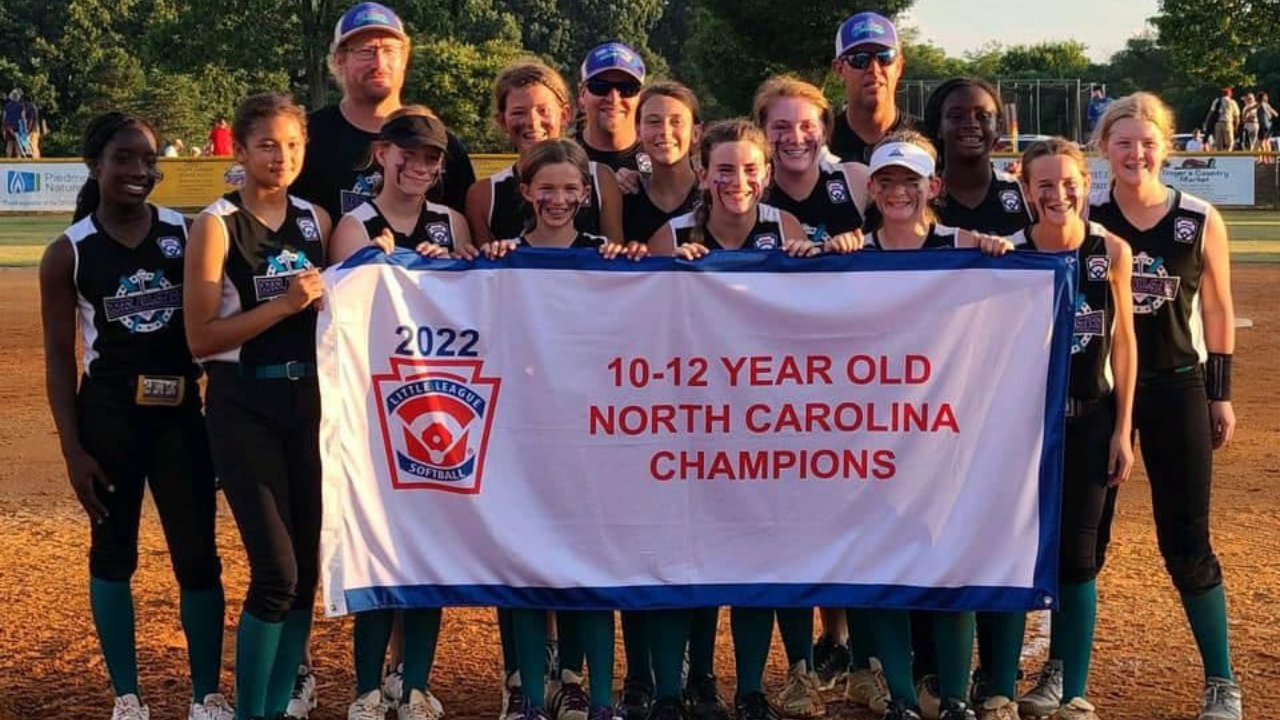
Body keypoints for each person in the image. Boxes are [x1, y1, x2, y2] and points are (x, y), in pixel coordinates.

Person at [39, 111, 230, 720]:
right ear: (95, 166)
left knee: (198, 555)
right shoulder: (68, 252)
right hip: (110, 421)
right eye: (124, 158)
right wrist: (73, 451)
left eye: (148, 160)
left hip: (180, 417)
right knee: (113, 551)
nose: (140, 171)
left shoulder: (189, 231)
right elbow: (58, 358)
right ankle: (129, 696)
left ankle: (206, 695)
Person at [1088, 92, 1241, 720]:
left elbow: (1218, 307)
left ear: (1166, 145)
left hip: (1178, 384)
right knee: (1084, 539)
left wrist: (1221, 393)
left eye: (1147, 141)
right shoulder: (1088, 216)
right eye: (1123, 142)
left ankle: (1221, 681)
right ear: (1105, 149)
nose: (1136, 152)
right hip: (1100, 392)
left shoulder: (1198, 217)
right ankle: (1063, 672)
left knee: (1186, 538)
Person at [183, 92, 332, 720]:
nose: (282, 156)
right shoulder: (217, 224)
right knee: (274, 571)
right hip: (244, 403)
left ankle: (277, 706)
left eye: (293, 144)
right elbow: (200, 338)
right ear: (240, 150)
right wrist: (283, 305)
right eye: (267, 144)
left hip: (310, 404)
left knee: (304, 575)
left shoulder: (316, 220)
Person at [856, 130, 1012, 720]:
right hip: (870, 438)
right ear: (872, 189)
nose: (900, 192)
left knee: (952, 561)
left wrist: (1000, 259)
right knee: (883, 564)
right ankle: (899, 693)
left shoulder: (967, 246)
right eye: (888, 181)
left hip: (949, 435)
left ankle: (951, 694)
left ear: (934, 187)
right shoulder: (854, 253)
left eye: (911, 181)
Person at [748, 73, 887, 719]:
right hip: (772, 383)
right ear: (761, 130)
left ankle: (854, 652)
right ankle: (802, 663)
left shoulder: (856, 181)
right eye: (780, 125)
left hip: (850, 380)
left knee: (852, 514)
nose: (794, 136)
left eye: (805, 124)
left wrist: (857, 248)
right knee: (785, 523)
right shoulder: (750, 183)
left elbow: (905, 242)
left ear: (824, 129)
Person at [481, 139, 630, 720]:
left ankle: (596, 696)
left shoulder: (609, 255)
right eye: (547, 188)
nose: (559, 199)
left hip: (594, 433)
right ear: (525, 192)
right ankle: (530, 695)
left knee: (592, 562)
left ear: (587, 194)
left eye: (571, 189)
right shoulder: (503, 257)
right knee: (523, 563)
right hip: (521, 435)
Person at [992, 138, 1137, 720]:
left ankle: (1072, 688)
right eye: (1044, 185)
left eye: (1068, 181)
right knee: (1007, 549)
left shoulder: (1111, 250)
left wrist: (1124, 428)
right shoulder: (1008, 254)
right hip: (1022, 427)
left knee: (1078, 557)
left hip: (1091, 418)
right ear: (1026, 191)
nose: (1058, 194)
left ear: (1087, 182)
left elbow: (1125, 345)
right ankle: (999, 684)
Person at [327, 107, 462, 720]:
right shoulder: (355, 226)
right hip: (377, 406)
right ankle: (364, 687)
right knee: (377, 543)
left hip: (446, 401)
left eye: (432, 157)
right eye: (408, 153)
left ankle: (412, 684)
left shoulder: (452, 222)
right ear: (382, 154)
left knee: (429, 545)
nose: (420, 165)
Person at [292, 2, 476, 225]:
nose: (379, 63)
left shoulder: (442, 144)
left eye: (389, 51)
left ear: (405, 58)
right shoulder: (303, 139)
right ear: (340, 60)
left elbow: (466, 244)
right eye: (366, 51)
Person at [465, 59, 624, 247]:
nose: (532, 121)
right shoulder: (484, 195)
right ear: (502, 120)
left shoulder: (600, 179)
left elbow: (616, 264)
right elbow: (482, 270)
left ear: (565, 114)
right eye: (518, 112)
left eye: (543, 111)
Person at [828, 12, 917, 164]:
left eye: (885, 57)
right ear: (839, 69)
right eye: (860, 59)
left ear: (899, 66)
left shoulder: (926, 140)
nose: (874, 68)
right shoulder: (821, 144)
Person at [575, 41, 650, 173]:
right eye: (600, 87)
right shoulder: (563, 157)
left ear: (640, 97)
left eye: (627, 89)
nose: (613, 99)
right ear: (582, 94)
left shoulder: (653, 161)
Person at [1204, 89, 1239, 153]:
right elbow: (1236, 116)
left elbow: (1211, 112)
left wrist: (1206, 122)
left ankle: (1219, 155)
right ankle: (1228, 154)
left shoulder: (1217, 101)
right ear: (1230, 94)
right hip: (1227, 122)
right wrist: (1236, 127)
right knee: (1230, 142)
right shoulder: (1232, 102)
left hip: (1217, 123)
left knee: (1218, 142)